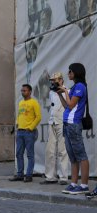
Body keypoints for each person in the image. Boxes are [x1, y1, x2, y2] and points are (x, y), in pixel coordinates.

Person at [57, 63, 90, 195]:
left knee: (81, 155)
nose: (68, 73)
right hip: (67, 124)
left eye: (70, 71)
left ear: (76, 72)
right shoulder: (75, 86)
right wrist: (60, 94)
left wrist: (65, 91)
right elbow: (67, 106)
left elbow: (71, 105)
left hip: (74, 124)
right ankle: (73, 183)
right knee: (72, 156)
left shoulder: (80, 86)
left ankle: (84, 185)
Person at [40, 73, 70, 185]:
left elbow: (68, 105)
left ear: (61, 80)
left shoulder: (67, 90)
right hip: (52, 122)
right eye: (52, 80)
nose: (53, 82)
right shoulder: (52, 92)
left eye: (55, 80)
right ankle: (50, 176)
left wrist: (62, 91)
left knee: (62, 150)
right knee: (50, 150)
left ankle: (63, 177)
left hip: (62, 122)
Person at [9, 84, 42, 182]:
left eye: (25, 90)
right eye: (22, 90)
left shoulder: (34, 102)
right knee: (19, 153)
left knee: (30, 155)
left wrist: (31, 128)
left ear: (30, 92)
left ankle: (29, 175)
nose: (23, 92)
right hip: (20, 132)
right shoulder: (20, 103)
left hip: (29, 132)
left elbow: (38, 117)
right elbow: (19, 115)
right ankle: (20, 174)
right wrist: (17, 124)